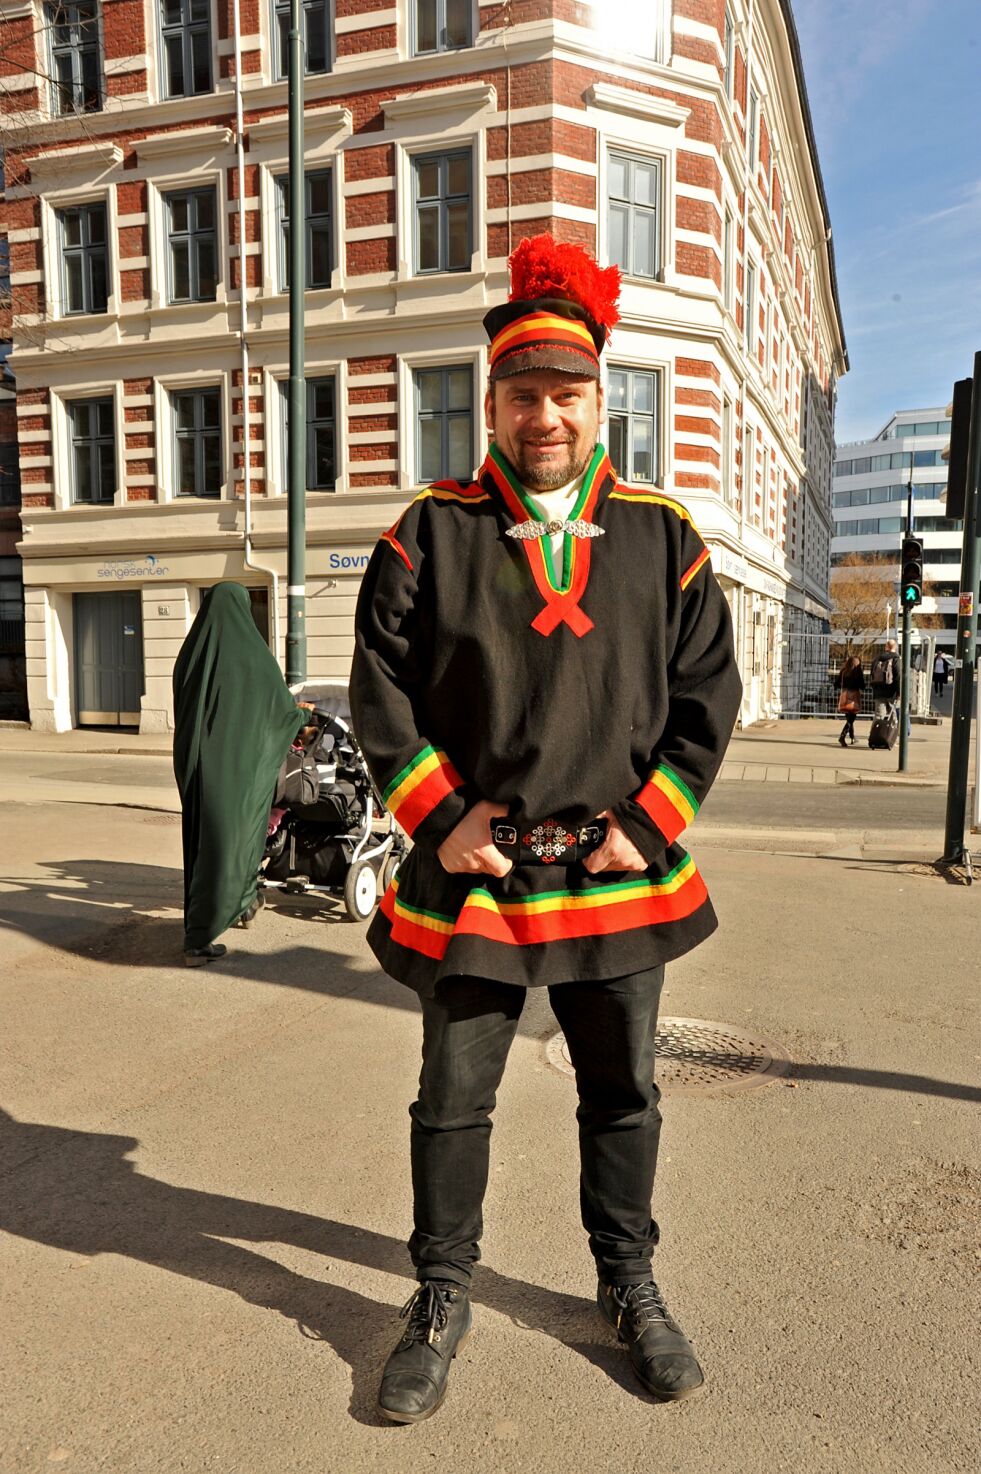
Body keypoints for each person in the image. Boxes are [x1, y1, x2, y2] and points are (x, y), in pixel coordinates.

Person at [350, 235, 742, 1423]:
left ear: (598, 394)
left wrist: (651, 821)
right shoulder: (429, 528)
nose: (545, 415)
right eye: (522, 393)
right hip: (476, 874)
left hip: (614, 869)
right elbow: (378, 685)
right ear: (495, 399)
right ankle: (439, 1290)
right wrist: (439, 816)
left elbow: (709, 692)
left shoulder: (664, 535)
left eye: (565, 392)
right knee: (451, 1099)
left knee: (622, 1093)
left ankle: (627, 1281)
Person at [172, 583, 304, 965]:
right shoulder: (251, 655)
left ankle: (236, 907)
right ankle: (200, 937)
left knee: (203, 845)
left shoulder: (191, 652)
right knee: (230, 846)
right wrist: (304, 716)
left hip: (194, 767)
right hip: (235, 772)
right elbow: (279, 710)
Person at [836, 654, 864, 746]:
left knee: (849, 718)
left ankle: (852, 737)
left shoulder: (844, 671)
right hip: (853, 697)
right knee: (851, 719)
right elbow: (862, 686)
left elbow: (836, 684)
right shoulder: (857, 673)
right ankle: (842, 737)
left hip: (844, 696)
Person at [869, 638, 900, 719]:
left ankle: (876, 731)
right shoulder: (896, 659)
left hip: (878, 691)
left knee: (879, 715)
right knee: (893, 715)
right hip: (891, 691)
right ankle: (892, 731)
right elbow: (898, 677)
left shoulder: (877, 659)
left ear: (886, 647)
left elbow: (872, 673)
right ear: (895, 647)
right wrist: (899, 692)